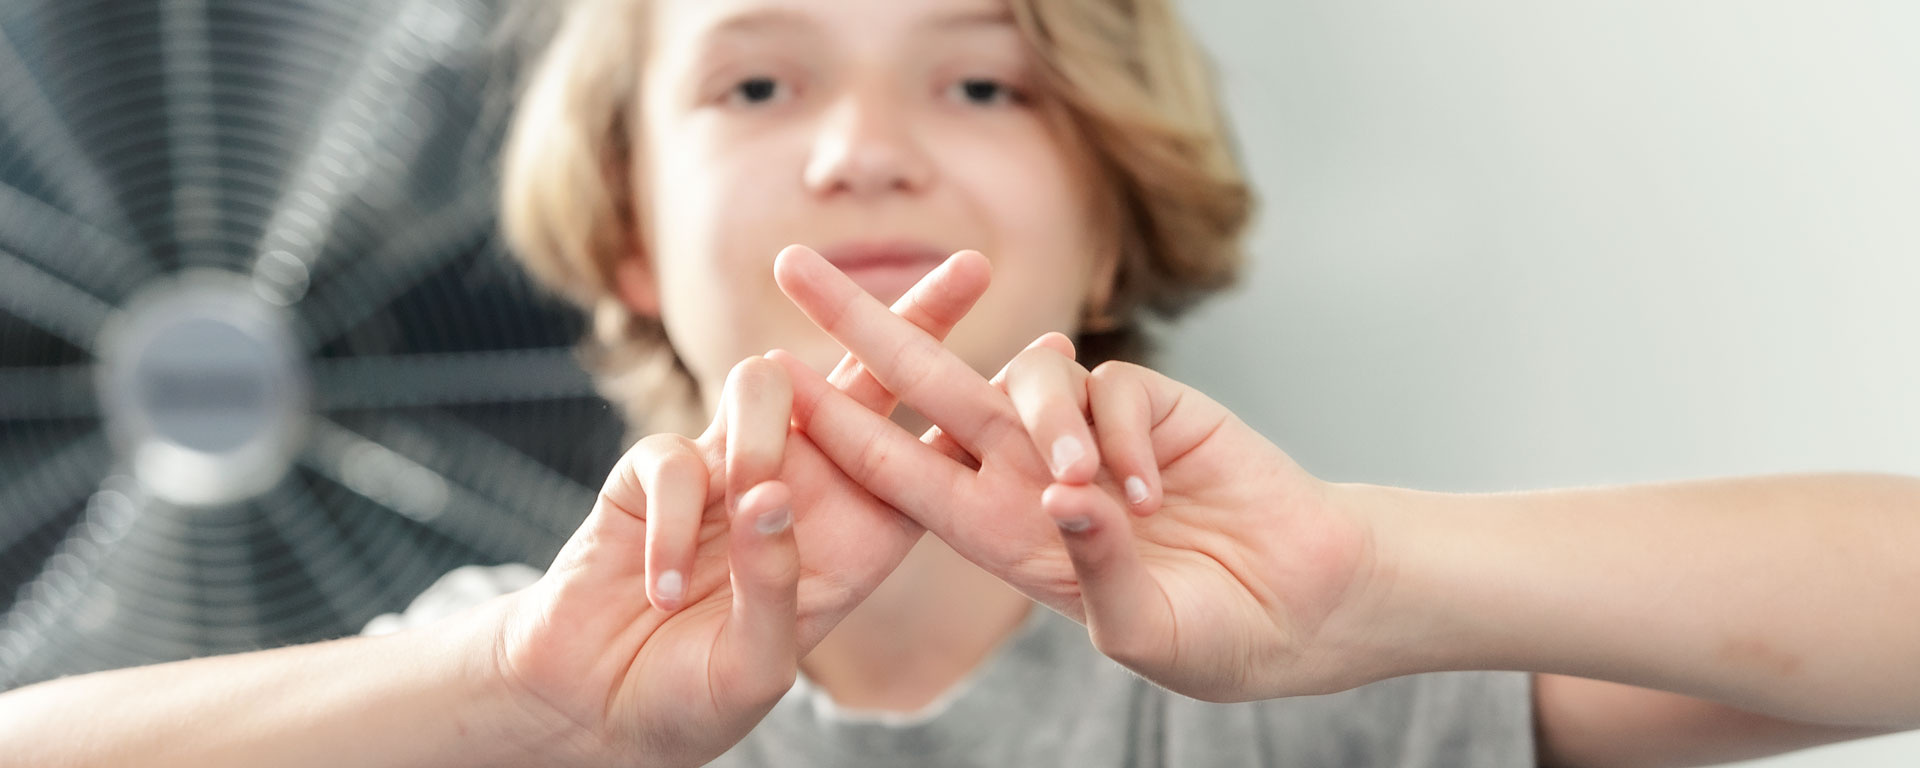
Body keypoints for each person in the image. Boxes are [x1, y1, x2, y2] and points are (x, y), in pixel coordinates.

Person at [0, 1, 1914, 767]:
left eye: (982, 79)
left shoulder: (1318, 682)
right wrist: (512, 700)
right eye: (757, 83)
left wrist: (1367, 587)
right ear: (634, 241)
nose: (862, 151)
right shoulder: (501, 690)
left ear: (1119, 207)